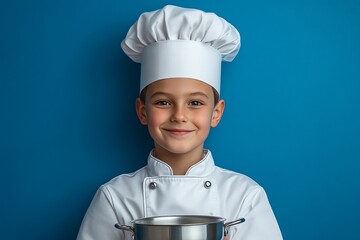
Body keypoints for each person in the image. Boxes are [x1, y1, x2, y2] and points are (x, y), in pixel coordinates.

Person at [77, 5, 283, 240]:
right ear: (142, 111)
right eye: (163, 102)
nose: (179, 115)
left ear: (216, 113)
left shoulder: (244, 197)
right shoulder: (115, 197)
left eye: (195, 103)